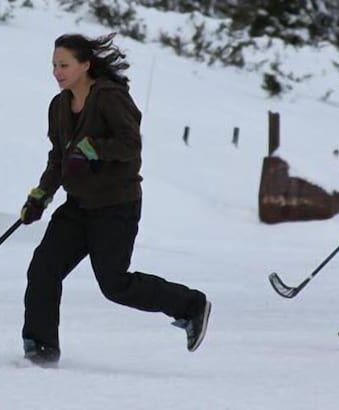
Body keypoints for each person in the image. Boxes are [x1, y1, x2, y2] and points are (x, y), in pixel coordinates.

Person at [18, 33, 210, 366]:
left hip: (114, 206)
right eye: (54, 65)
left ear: (85, 65)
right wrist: (41, 195)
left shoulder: (110, 98)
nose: (57, 72)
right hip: (78, 206)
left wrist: (93, 151)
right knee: (43, 268)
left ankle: (191, 305)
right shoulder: (59, 105)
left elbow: (129, 145)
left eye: (64, 65)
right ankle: (41, 346)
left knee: (115, 284)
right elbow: (59, 157)